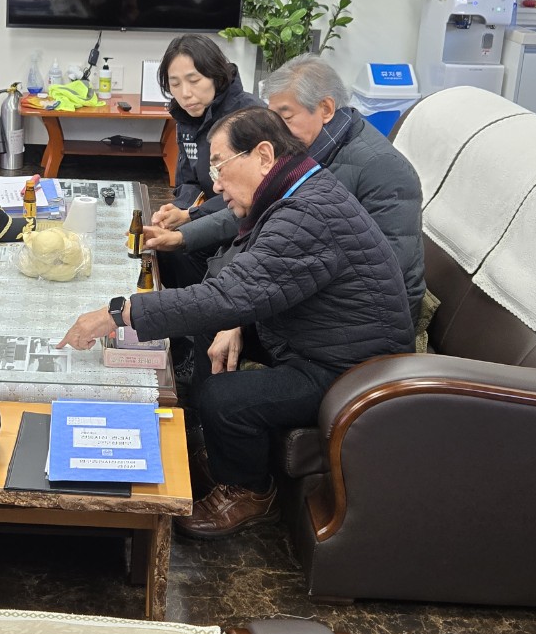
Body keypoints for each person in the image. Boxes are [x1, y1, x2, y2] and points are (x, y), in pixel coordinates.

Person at [58, 106, 412, 539]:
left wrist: (119, 313)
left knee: (226, 398)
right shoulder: (300, 192)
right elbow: (258, 281)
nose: (216, 185)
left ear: (263, 155)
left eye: (220, 167)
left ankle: (250, 492)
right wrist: (235, 322)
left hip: (351, 369)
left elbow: (228, 295)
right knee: (213, 329)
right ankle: (215, 445)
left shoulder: (307, 215)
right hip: (317, 335)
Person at [146, 58, 425, 324]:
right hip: (299, 275)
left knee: (221, 310)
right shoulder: (305, 149)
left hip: (353, 311)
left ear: (326, 109)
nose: (274, 130)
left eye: (286, 117)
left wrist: (241, 318)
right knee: (179, 257)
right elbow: (253, 207)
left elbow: (385, 273)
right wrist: (183, 236)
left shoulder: (383, 168)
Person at [147, 34, 262, 292]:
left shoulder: (249, 117)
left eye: (194, 80)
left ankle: (203, 307)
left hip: (244, 226)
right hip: (208, 214)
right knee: (160, 247)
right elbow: (188, 180)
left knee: (175, 249)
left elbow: (249, 195)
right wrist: (177, 210)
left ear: (216, 75)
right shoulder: (186, 117)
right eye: (175, 84)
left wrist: (190, 216)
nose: (185, 94)